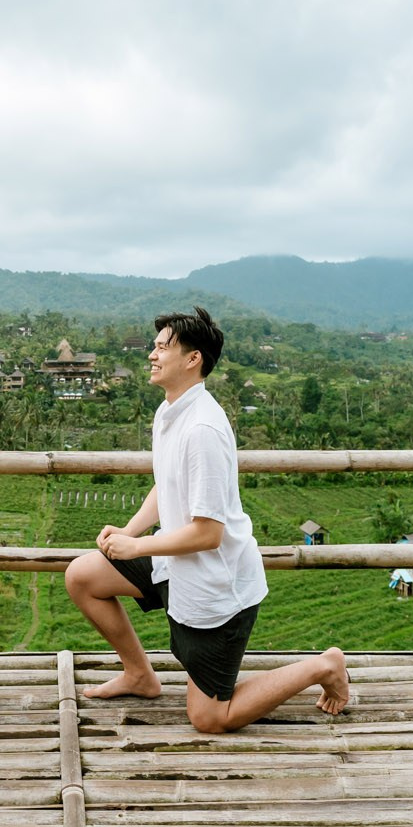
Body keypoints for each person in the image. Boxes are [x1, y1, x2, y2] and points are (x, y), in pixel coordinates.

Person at [63, 306, 351, 733]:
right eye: (154, 346)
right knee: (82, 576)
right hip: (174, 564)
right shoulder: (170, 412)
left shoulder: (202, 430)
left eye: (163, 347)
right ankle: (139, 676)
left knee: (211, 718)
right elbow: (167, 485)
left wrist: (136, 546)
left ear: (193, 359)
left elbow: (208, 533)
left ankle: (324, 666)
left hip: (214, 585)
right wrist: (129, 530)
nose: (152, 355)